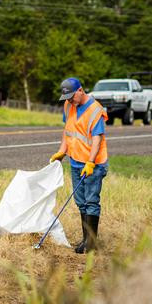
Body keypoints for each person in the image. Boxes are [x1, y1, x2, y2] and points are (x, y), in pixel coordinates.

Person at [49, 77, 108, 253]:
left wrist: (90, 162)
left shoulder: (95, 110)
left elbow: (97, 140)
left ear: (80, 91)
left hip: (93, 163)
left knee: (91, 201)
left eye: (71, 97)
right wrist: (62, 151)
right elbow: (68, 131)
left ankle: (92, 243)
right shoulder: (68, 105)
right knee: (80, 201)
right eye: (66, 98)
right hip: (75, 160)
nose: (69, 101)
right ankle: (85, 240)